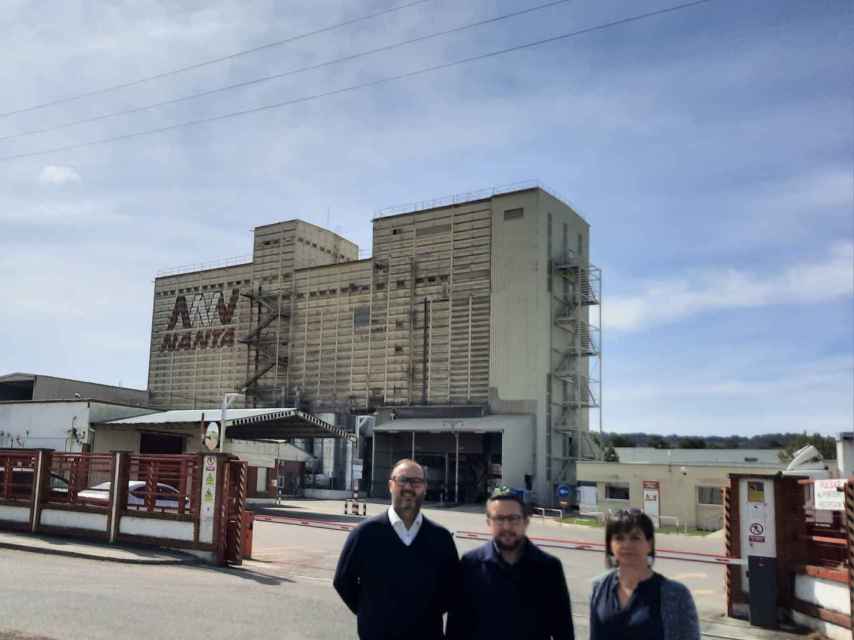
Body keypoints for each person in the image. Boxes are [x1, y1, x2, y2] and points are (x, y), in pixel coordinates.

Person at [333, 458, 459, 640]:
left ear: (425, 487)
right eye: (402, 480)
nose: (408, 487)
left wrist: (425, 613)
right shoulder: (365, 534)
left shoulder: (441, 538)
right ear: (390, 485)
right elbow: (343, 581)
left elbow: (453, 588)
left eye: (416, 481)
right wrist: (370, 613)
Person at [446, 486, 575, 640]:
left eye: (513, 518)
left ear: (526, 521)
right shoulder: (470, 565)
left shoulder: (549, 568)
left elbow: (563, 630)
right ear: (488, 522)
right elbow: (456, 628)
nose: (507, 526)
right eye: (499, 519)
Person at [589, 509, 700, 640]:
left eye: (635, 538)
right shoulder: (599, 588)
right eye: (619, 538)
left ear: (649, 544)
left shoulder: (676, 594)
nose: (626, 544)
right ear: (610, 546)